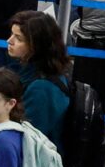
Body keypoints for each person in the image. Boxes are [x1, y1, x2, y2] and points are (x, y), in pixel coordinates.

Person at [8, 11, 73, 146]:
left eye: (18, 38)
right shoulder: (48, 72)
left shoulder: (41, 88)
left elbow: (29, 139)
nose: (10, 41)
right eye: (12, 34)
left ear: (36, 45)